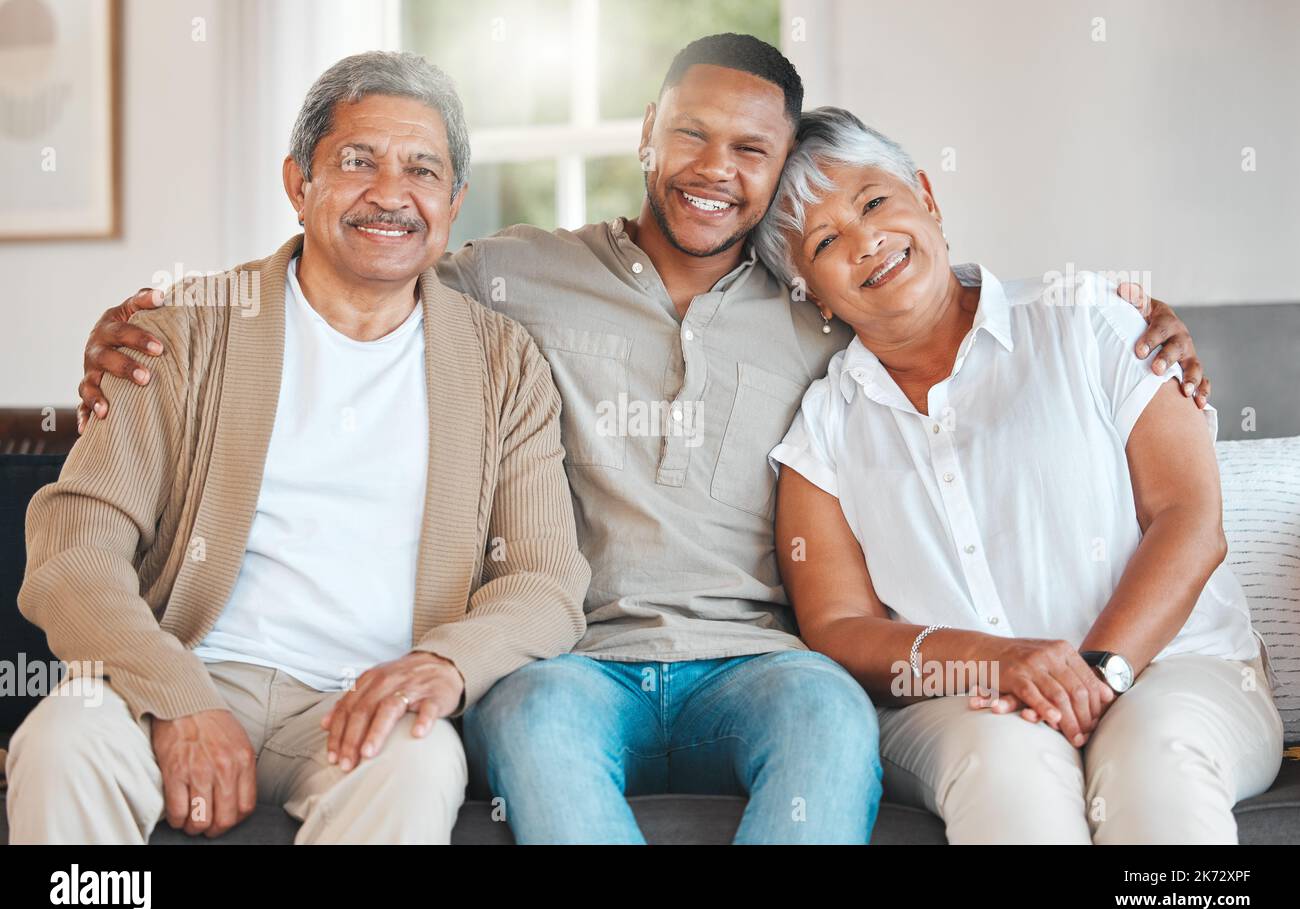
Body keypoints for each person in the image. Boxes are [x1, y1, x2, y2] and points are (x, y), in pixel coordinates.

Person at [72, 35, 1209, 844]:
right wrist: (147, 319)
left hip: (760, 660)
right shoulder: (511, 273)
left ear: (774, 179)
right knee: (540, 743)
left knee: (826, 724)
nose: (717, 171)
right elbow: (361, 264)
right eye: (692, 137)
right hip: (568, 660)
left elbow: (920, 285)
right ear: (646, 139)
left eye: (751, 153)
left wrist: (1129, 318)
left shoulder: (816, 294)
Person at [5, 51, 589, 844]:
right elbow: (77, 551)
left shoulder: (504, 364)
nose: (391, 193)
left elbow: (543, 577)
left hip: (369, 706)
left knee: (420, 769)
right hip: (186, 668)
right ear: (298, 185)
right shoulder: (181, 332)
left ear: (453, 203)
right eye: (358, 162)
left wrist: (445, 666)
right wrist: (176, 696)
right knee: (62, 739)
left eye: (421, 170)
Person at [758, 107, 1283, 843]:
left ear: (927, 198)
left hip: (1174, 669)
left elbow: (1189, 520)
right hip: (966, 702)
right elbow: (839, 625)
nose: (866, 240)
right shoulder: (822, 428)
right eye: (825, 241)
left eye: (874, 202)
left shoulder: (1091, 319)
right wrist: (1000, 663)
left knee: (1155, 765)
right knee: (1006, 771)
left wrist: (1098, 677)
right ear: (811, 291)